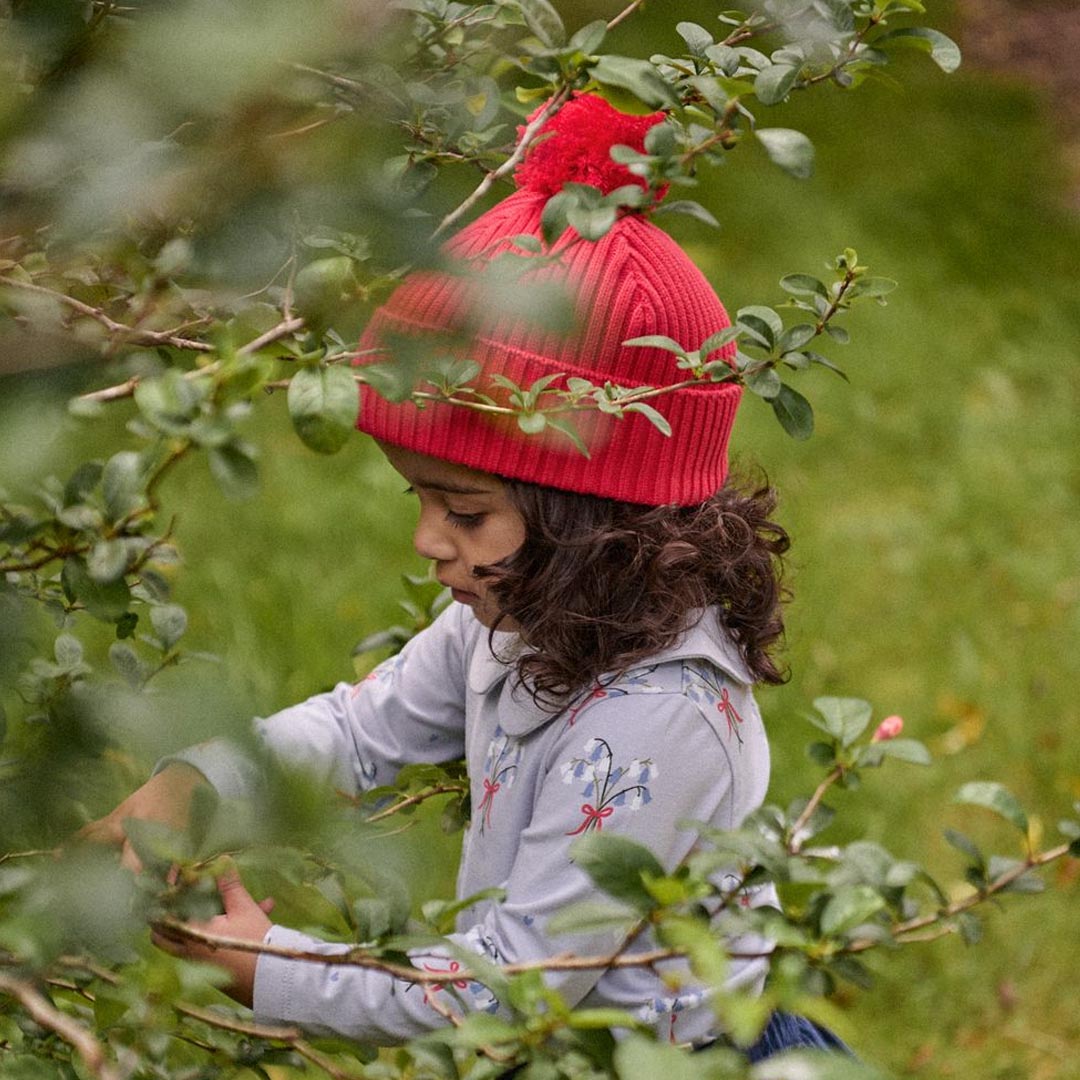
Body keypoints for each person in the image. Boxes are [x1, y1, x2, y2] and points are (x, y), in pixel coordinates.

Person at [83, 94, 849, 1060]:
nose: (428, 542)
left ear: (593, 522)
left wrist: (264, 965)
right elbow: (362, 729)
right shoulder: (520, 615)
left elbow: (511, 986)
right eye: (422, 500)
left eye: (464, 511)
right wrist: (196, 783)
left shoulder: (664, 716)